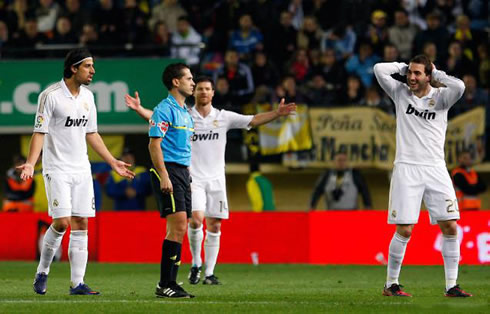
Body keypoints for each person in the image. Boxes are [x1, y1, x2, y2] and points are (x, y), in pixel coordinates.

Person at [126, 76, 295, 286]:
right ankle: (196, 263)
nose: (204, 92)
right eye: (200, 89)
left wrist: (277, 114)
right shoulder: (185, 115)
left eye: (207, 89)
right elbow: (157, 119)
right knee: (196, 219)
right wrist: (139, 109)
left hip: (216, 180)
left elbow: (252, 120)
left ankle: (210, 273)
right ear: (195, 93)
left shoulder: (224, 117)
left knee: (214, 225)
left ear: (213, 93)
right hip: (192, 178)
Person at [17, 48, 135, 296]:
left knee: (81, 222)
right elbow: (39, 132)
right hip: (56, 168)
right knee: (62, 222)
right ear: (73, 68)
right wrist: (30, 163)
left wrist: (113, 162)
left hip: (82, 168)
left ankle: (77, 284)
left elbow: (92, 133)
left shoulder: (88, 97)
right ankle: (42, 271)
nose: (93, 71)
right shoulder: (49, 95)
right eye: (88, 66)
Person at [373, 55, 472, 297]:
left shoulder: (441, 98)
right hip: (407, 167)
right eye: (411, 73)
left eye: (418, 74)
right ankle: (391, 284)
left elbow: (460, 86)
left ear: (428, 75)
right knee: (405, 229)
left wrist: (436, 74)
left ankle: (451, 286)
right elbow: (378, 69)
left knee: (450, 226)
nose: (412, 78)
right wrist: (404, 67)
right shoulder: (400, 93)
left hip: (436, 168)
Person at [126, 63, 195, 298]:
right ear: (176, 82)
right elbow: (154, 144)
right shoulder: (165, 108)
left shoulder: (184, 111)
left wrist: (188, 174)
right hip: (169, 171)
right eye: (188, 78)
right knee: (177, 227)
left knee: (181, 226)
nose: (192, 82)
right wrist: (165, 174)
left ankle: (170, 283)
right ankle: (165, 283)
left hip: (183, 172)